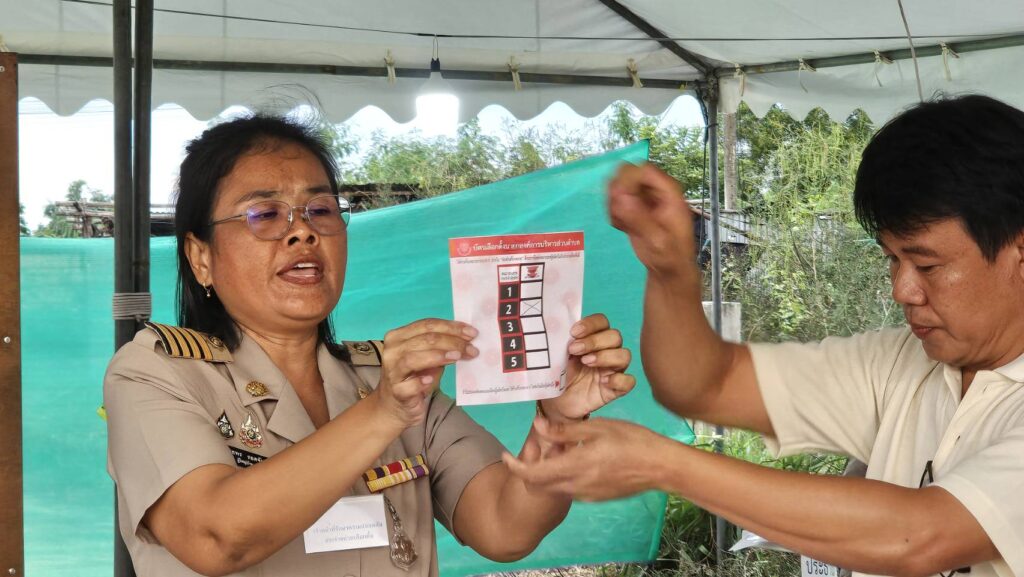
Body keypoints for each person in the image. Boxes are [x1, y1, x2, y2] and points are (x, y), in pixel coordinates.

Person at [505, 94, 1024, 577]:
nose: (902, 290)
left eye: (928, 265)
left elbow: (921, 536)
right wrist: (671, 271)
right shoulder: (901, 363)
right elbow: (705, 385)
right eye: (892, 258)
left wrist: (661, 463)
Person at [104, 114, 636, 577]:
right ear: (201, 257)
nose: (302, 232)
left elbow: (505, 526)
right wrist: (383, 413)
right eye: (264, 214)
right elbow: (214, 536)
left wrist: (558, 424)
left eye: (320, 210)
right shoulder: (154, 373)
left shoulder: (387, 380)